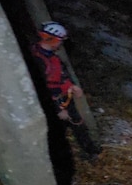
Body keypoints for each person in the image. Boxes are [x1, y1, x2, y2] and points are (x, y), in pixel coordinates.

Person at [31, 21, 100, 159]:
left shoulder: (51, 55)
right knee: (56, 132)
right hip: (53, 101)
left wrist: (72, 86)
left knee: (77, 123)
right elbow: (41, 88)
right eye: (59, 40)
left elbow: (60, 74)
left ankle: (91, 151)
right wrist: (57, 109)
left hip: (63, 97)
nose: (60, 44)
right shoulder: (37, 59)